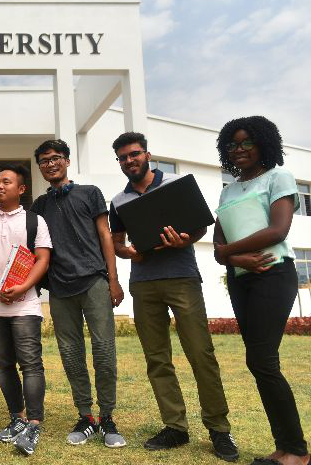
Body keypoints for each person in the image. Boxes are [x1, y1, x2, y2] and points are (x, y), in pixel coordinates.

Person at [108, 132, 239, 462]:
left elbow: (199, 227)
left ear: (147, 155)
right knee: (157, 359)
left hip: (182, 278)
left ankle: (219, 429)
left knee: (201, 353)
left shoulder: (176, 184)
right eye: (123, 157)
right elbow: (116, 242)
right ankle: (175, 427)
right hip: (144, 283)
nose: (129, 161)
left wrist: (185, 239)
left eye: (134, 154)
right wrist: (128, 252)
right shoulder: (119, 201)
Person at [213, 116, 308, 465]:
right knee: (260, 362)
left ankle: (296, 451)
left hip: (273, 273)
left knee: (262, 360)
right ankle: (284, 448)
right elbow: (218, 245)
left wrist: (228, 252)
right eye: (232, 144)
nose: (238, 150)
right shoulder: (227, 189)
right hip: (242, 278)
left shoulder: (278, 176)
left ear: (262, 144)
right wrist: (234, 257)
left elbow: (278, 229)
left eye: (246, 142)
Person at [30, 139, 126, 448]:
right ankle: (86, 416)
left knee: (104, 352)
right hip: (59, 287)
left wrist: (113, 279)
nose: (51, 164)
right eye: (44, 161)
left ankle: (108, 416)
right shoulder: (39, 206)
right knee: (71, 354)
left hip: (94, 281)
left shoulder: (90, 193)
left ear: (67, 161)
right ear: (40, 167)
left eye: (56, 158)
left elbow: (104, 235)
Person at [0, 164, 52, 456]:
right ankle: (17, 417)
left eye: (6, 182)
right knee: (3, 364)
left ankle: (34, 421)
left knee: (30, 363)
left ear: (21, 189)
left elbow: (42, 258)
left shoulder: (34, 220)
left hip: (26, 303)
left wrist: (23, 287)